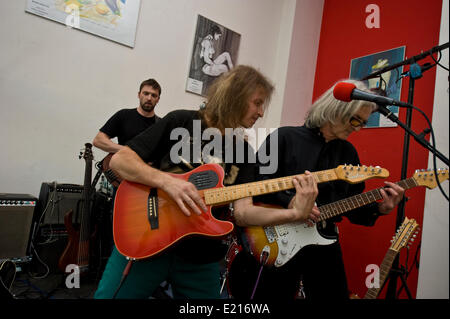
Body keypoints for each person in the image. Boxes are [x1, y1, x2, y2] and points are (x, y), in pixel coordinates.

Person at [93, 65, 319, 299]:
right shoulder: (180, 121)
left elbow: (243, 213)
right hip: (147, 240)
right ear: (235, 96)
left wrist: (294, 214)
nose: (261, 113)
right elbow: (120, 162)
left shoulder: (244, 151)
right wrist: (167, 182)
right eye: (258, 103)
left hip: (201, 256)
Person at [229, 79, 405, 299]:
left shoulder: (348, 154)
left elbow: (352, 204)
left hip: (324, 241)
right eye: (355, 120)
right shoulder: (284, 138)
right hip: (277, 238)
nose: (358, 128)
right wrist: (291, 202)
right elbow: (255, 187)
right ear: (336, 110)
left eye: (363, 123)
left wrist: (380, 209)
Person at [92, 78, 162, 154]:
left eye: (154, 95)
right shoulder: (124, 115)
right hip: (123, 164)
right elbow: (98, 140)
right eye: (146, 93)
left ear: (158, 99)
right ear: (139, 95)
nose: (149, 98)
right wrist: (128, 151)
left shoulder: (161, 124)